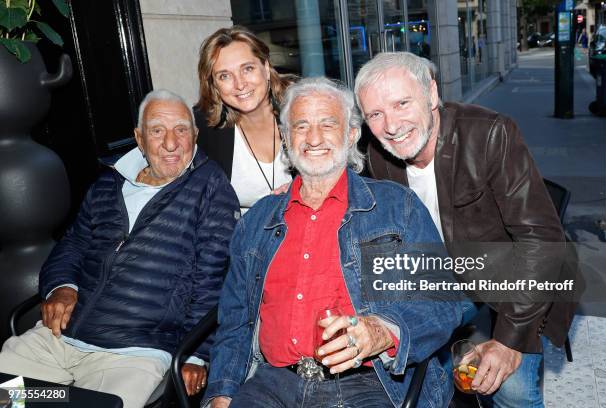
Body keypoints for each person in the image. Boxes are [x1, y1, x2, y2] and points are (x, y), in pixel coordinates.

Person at [203, 77, 468, 408]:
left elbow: (442, 303)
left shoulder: (395, 208)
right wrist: (222, 392)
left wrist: (383, 332)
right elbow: (235, 321)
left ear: (351, 133)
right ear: (286, 138)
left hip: (369, 384)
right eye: (301, 127)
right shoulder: (257, 222)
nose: (313, 139)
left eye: (328, 124)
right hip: (272, 384)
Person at [355, 52, 577, 407]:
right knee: (391, 363)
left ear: (431, 93)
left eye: (402, 103)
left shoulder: (490, 133)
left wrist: (509, 341)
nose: (391, 125)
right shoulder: (377, 153)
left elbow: (541, 242)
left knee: (511, 388)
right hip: (441, 275)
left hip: (515, 275)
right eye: (375, 114)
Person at [0, 89, 240, 408]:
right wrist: (62, 287)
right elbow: (73, 244)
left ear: (195, 135)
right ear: (139, 138)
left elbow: (215, 280)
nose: (171, 143)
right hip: (62, 336)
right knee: (8, 396)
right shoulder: (107, 183)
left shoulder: (210, 188)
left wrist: (198, 354)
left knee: (100, 405)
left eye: (181, 130)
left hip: (136, 352)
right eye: (157, 131)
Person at [195, 26, 295, 214]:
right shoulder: (205, 129)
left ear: (265, 68)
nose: (240, 84)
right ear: (214, 85)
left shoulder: (302, 108)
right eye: (224, 76)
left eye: (247, 69)